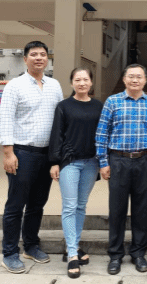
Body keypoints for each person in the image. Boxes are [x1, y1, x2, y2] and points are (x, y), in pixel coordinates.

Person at [0, 41, 63, 273]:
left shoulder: (55, 85)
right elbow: (5, 119)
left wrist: (57, 157)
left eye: (43, 54)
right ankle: (9, 253)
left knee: (37, 204)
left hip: (46, 155)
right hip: (22, 153)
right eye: (33, 54)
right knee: (16, 205)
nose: (39, 58)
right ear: (25, 59)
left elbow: (60, 121)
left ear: (47, 59)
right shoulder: (14, 86)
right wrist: (8, 153)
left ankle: (31, 245)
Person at [95, 63, 147, 275]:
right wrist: (103, 162)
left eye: (139, 76)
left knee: (141, 209)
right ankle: (115, 255)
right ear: (124, 79)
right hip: (118, 160)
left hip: (144, 160)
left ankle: (138, 253)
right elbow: (102, 134)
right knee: (117, 210)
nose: (135, 80)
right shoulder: (112, 102)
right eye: (131, 76)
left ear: (145, 80)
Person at [48, 67, 103, 279]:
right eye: (77, 80)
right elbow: (57, 135)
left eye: (85, 79)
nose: (82, 83)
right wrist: (54, 162)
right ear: (72, 83)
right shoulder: (64, 106)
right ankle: (72, 254)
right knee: (70, 206)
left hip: (91, 162)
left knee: (80, 205)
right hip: (69, 162)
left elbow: (103, 134)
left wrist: (104, 161)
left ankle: (74, 245)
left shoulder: (98, 106)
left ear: (91, 82)